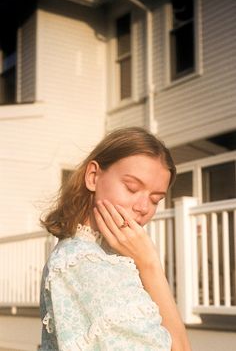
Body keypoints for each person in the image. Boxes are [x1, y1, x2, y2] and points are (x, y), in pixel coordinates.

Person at [39, 127, 192, 351]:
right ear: (93, 177)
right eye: (131, 188)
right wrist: (150, 265)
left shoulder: (107, 256)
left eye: (155, 199)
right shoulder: (83, 262)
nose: (142, 207)